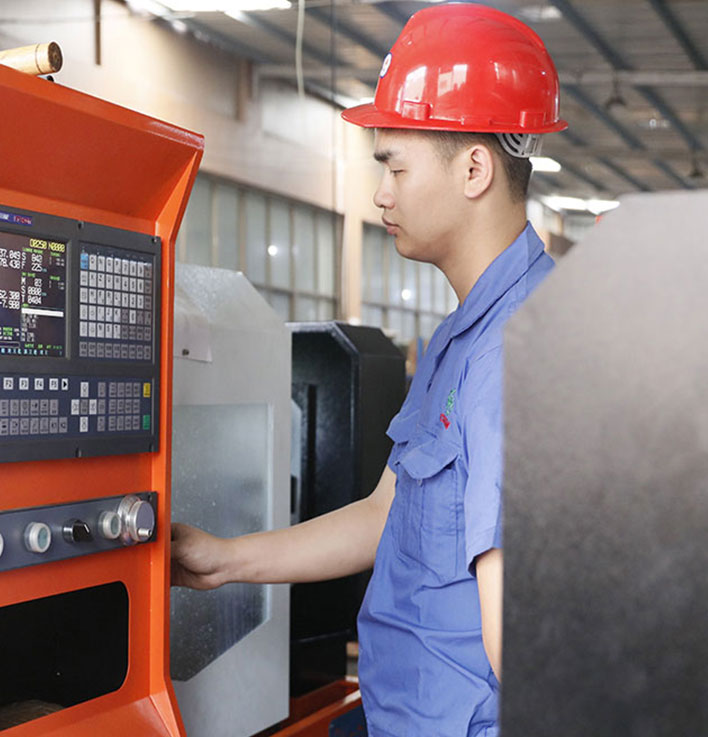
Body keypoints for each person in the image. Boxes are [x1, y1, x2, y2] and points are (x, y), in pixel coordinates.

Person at [170, 4, 565, 736]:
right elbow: (387, 514)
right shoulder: (459, 338)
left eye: (395, 165)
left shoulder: (519, 352)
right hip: (396, 713)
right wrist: (224, 561)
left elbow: (525, 642)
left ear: (474, 169)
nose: (382, 192)